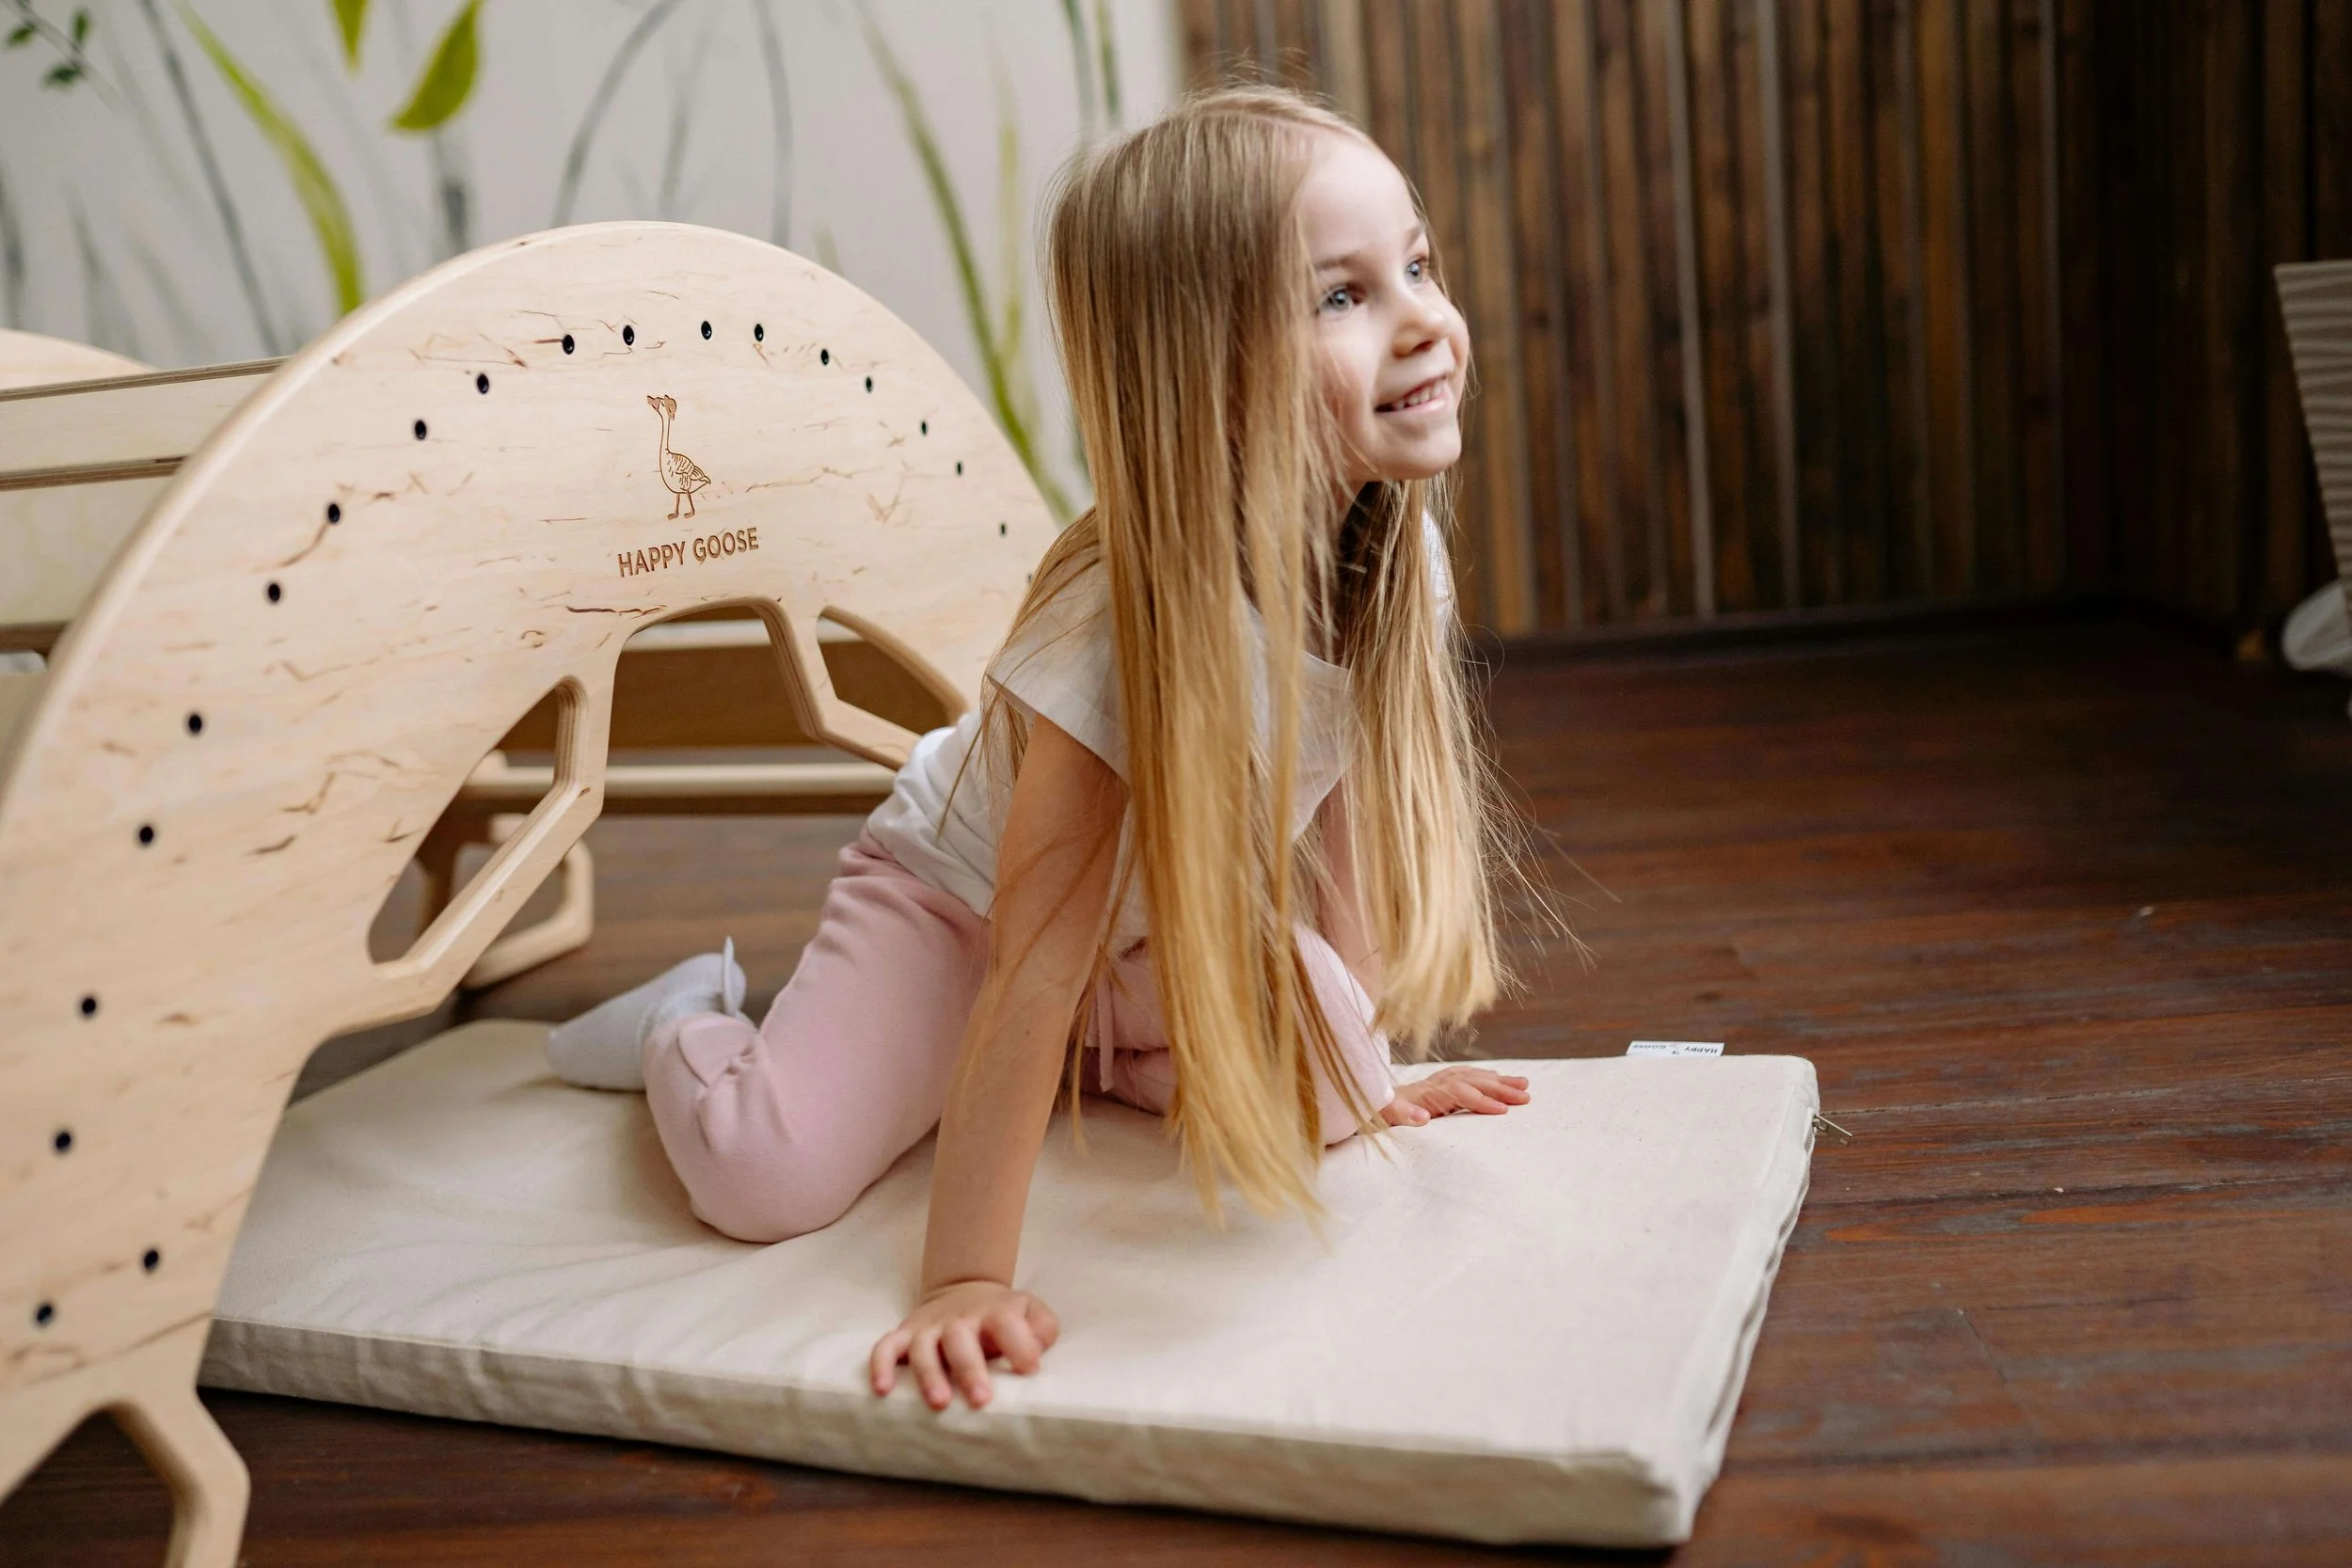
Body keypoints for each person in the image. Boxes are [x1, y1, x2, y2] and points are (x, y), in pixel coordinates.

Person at [544, 83, 1537, 1414]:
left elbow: (1339, 815)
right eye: (1344, 297)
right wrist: (965, 1274)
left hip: (1149, 933)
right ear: (1211, 373)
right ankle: (692, 1017)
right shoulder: (1118, 631)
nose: (1425, 316)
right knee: (763, 1174)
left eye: (1415, 264)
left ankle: (1095, 1057)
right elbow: (1028, 955)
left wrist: (1366, 1053)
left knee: (1335, 1086)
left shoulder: (1390, 549)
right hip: (965, 911)